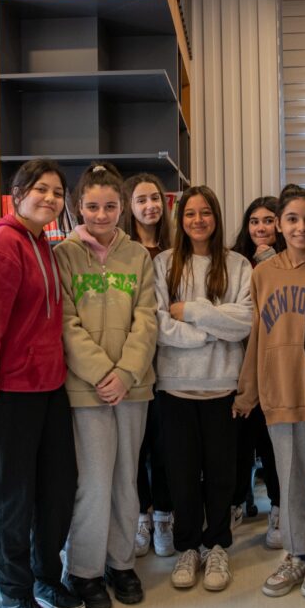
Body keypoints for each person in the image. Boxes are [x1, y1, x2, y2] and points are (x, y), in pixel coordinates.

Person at [0, 158, 84, 608]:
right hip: (9, 395)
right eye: (41, 189)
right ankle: (12, 598)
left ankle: (44, 577)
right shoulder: (1, 246)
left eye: (57, 192)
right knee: (11, 497)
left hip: (49, 389)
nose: (50, 198)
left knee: (57, 488)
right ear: (19, 193)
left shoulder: (42, 243)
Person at [54, 162, 157, 608]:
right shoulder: (63, 254)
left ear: (122, 208)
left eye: (110, 206)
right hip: (86, 389)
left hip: (133, 388)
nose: (101, 215)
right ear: (79, 206)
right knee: (93, 482)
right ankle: (84, 570)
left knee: (125, 480)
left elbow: (147, 319)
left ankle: (120, 563)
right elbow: (65, 323)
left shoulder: (138, 256)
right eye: (93, 206)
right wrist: (101, 374)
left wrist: (126, 372)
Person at [234, 186, 305, 600]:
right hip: (279, 390)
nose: (301, 227)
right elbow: (257, 336)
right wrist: (247, 392)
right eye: (292, 219)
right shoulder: (262, 274)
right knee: (289, 478)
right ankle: (296, 553)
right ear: (278, 224)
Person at [154, 185, 252, 591]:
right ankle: (188, 548)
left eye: (205, 212)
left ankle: (217, 547)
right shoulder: (163, 263)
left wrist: (192, 312)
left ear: (216, 217)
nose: (198, 220)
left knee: (221, 475)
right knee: (180, 474)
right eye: (190, 213)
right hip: (175, 387)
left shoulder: (238, 264)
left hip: (222, 386)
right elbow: (160, 325)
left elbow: (245, 321)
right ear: (180, 220)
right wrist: (211, 332)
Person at [121, 173, 174, 558]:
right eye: (141, 200)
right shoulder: (123, 251)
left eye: (155, 198)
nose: (150, 206)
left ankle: (165, 516)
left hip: (171, 359)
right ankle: (143, 514)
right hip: (133, 359)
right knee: (136, 447)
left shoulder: (176, 248)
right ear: (129, 206)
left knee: (165, 443)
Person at [230, 196, 283, 548]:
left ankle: (279, 507)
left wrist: (269, 262)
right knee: (238, 443)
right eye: (254, 221)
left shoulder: (287, 263)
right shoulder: (235, 262)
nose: (260, 228)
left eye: (268, 220)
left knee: (272, 445)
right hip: (238, 365)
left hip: (274, 368)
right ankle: (235, 502)